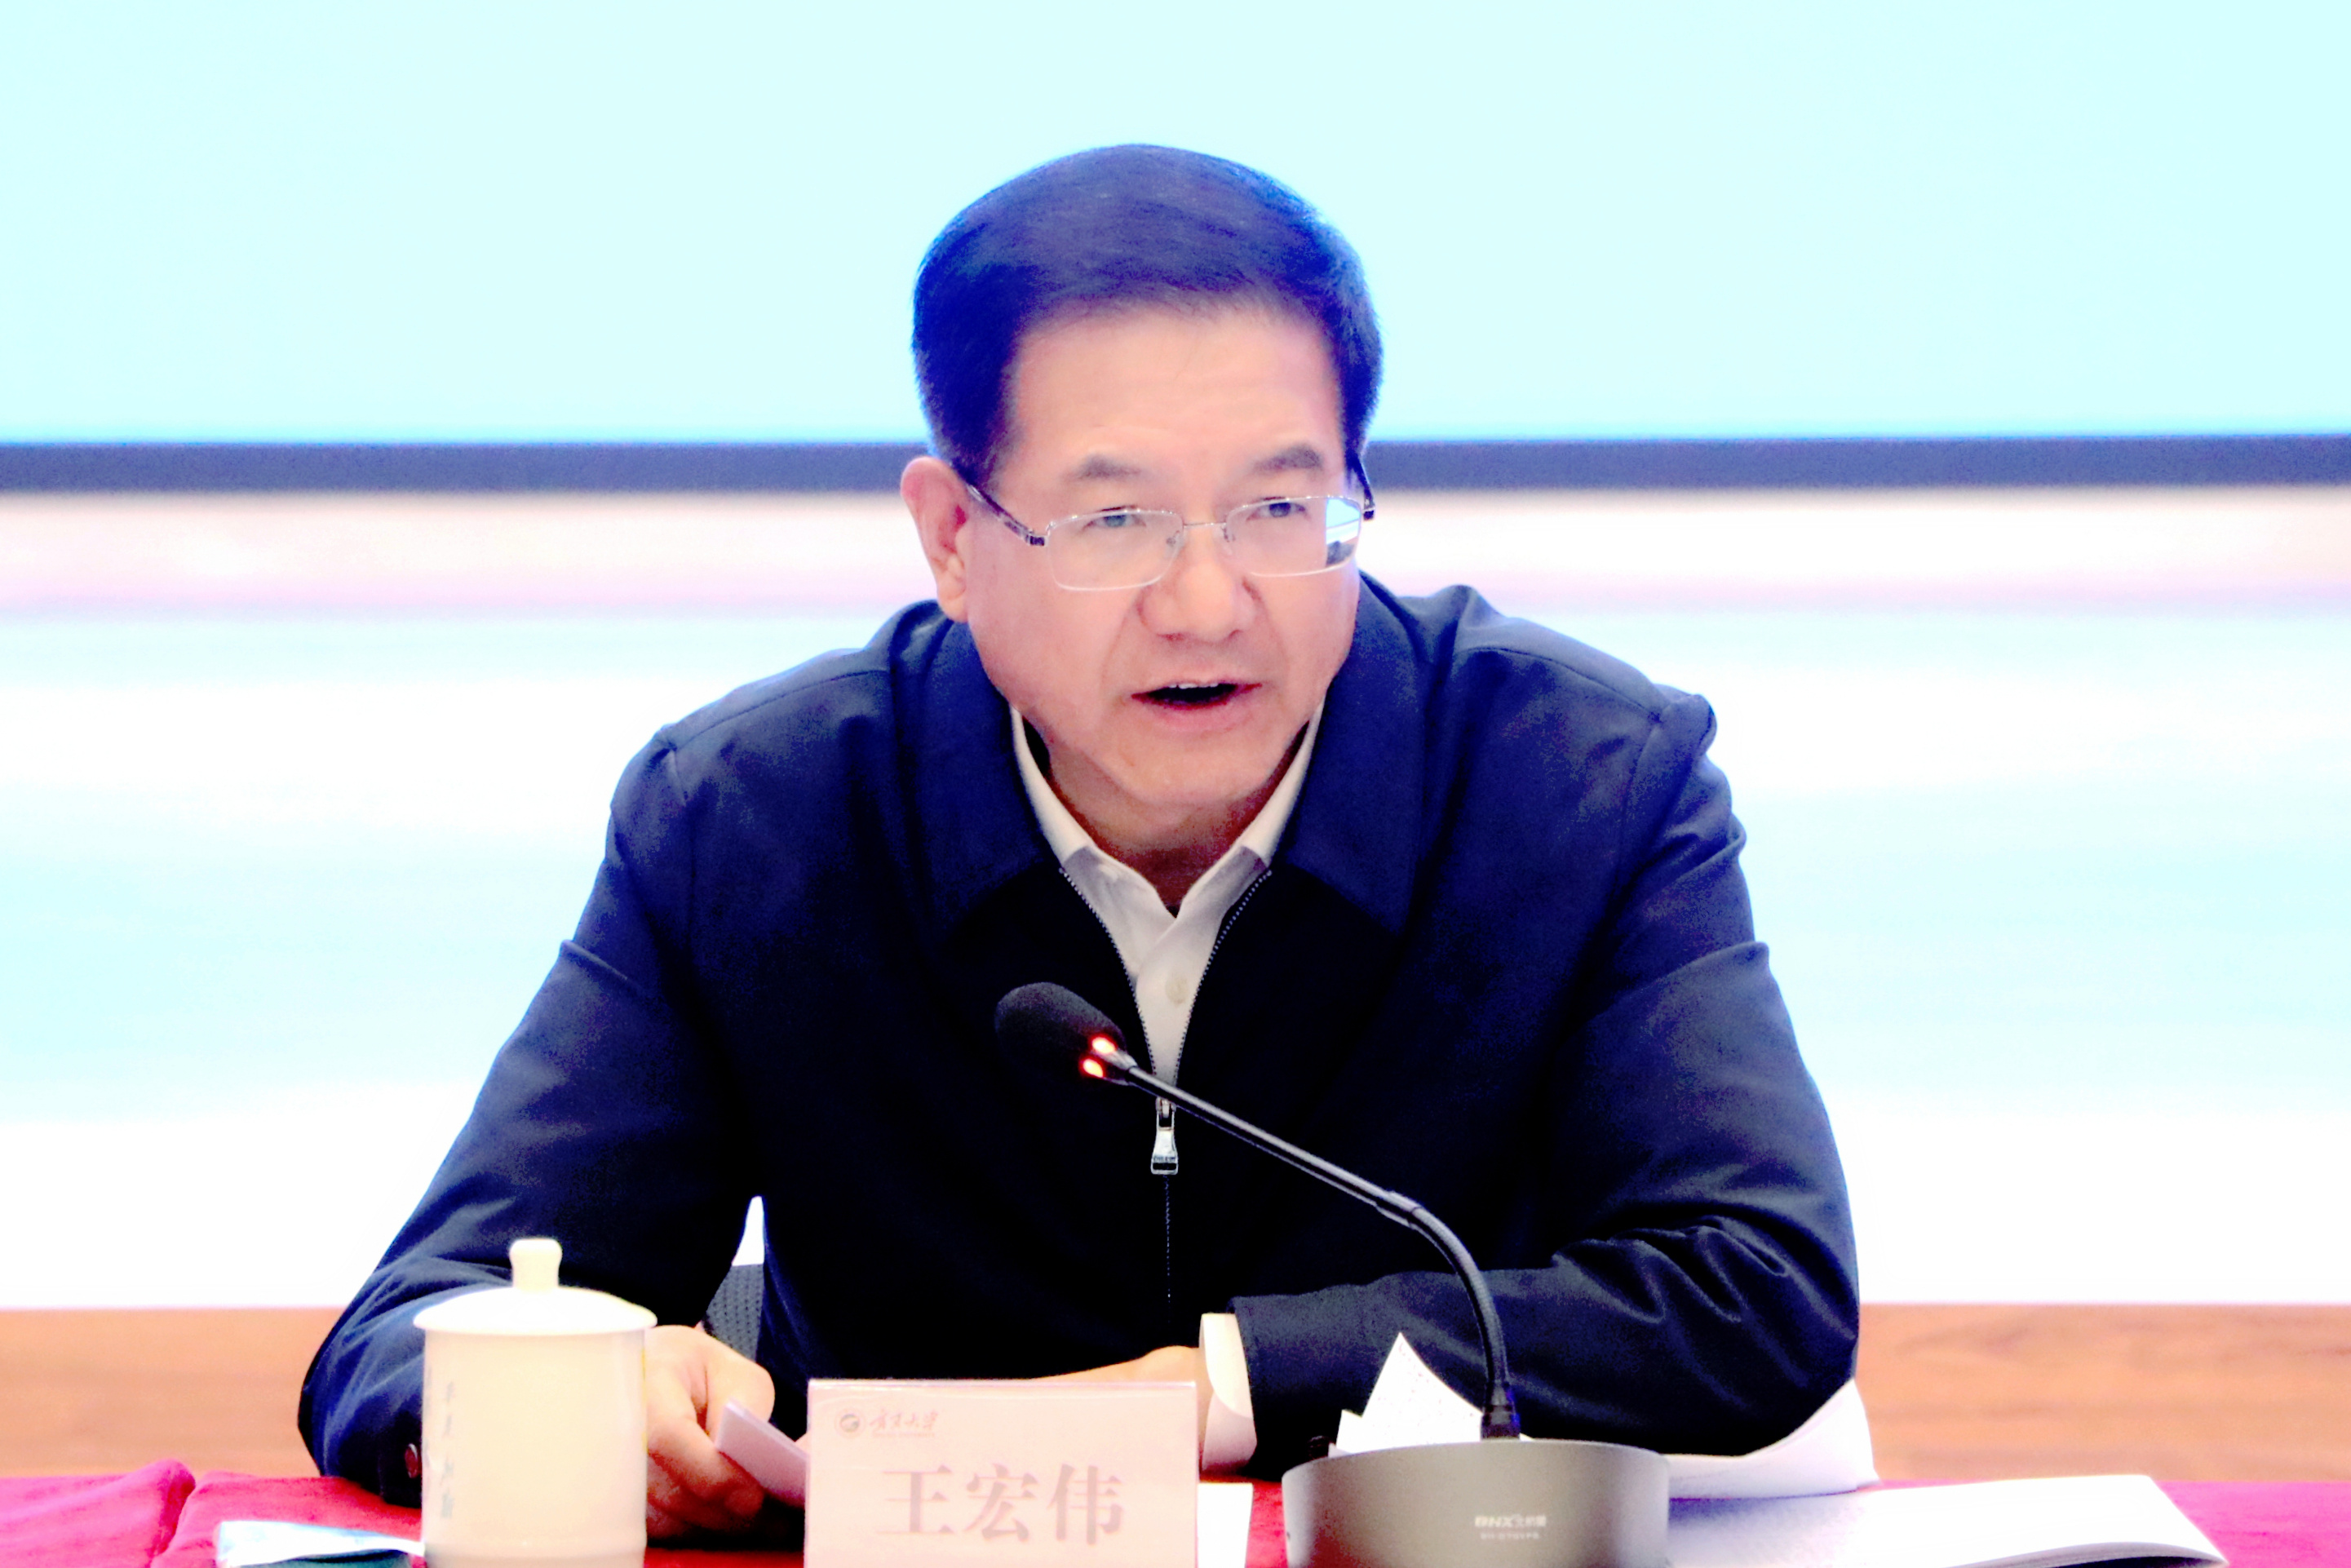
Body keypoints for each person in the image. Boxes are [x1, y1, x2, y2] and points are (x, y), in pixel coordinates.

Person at [299, 144, 1858, 1539]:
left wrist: (1221, 1386)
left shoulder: (1578, 782)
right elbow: (405, 1329)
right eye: (1116, 523)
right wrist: (577, 1392)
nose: (1208, 601)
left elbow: (1756, 1285)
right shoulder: (754, 819)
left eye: (1279, 509)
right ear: (952, 536)